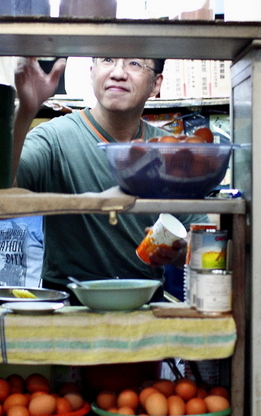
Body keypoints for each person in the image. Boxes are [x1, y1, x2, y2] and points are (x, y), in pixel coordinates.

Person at [10, 56, 193, 299]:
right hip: (69, 304)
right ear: (92, 72)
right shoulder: (55, 137)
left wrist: (179, 252)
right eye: (108, 60)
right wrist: (25, 111)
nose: (118, 73)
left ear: (156, 84)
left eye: (134, 64)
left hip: (146, 305)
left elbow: (199, 237)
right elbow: (3, 186)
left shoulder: (169, 149)